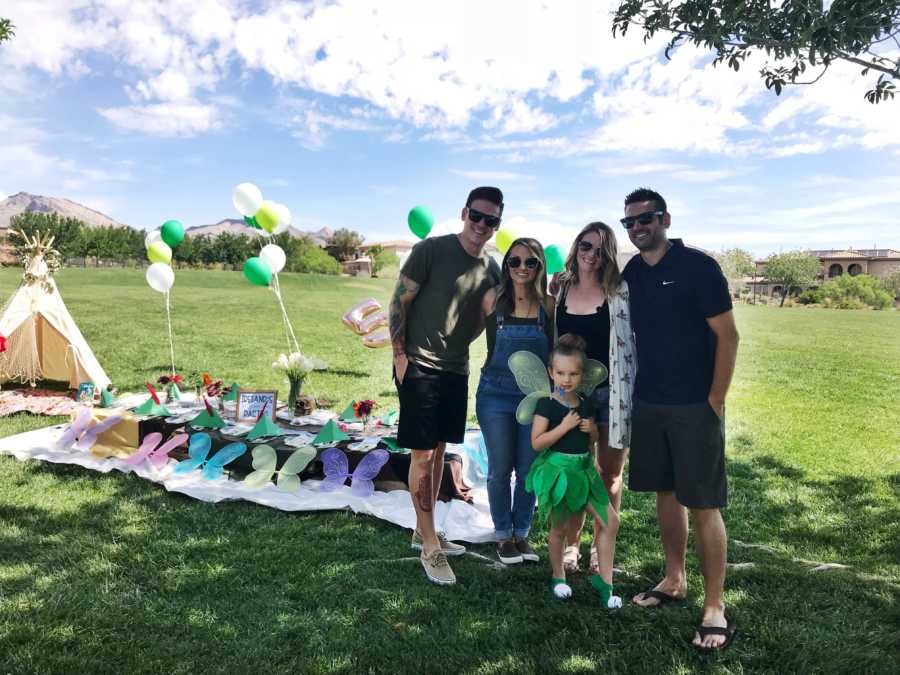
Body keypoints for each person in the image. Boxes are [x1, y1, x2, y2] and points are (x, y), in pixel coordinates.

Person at [621, 187, 740, 652]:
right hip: (649, 402)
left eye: (645, 219)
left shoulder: (698, 268)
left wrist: (716, 399)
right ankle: (674, 579)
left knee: (704, 503)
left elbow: (728, 337)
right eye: (629, 222)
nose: (637, 228)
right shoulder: (632, 271)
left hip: (695, 406)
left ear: (664, 218)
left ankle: (714, 607)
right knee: (665, 495)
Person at [389, 186, 503, 586]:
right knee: (422, 453)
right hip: (418, 364)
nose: (482, 226)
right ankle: (429, 548)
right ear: (464, 212)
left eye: (491, 220)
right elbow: (398, 303)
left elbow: (486, 318)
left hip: (456, 369)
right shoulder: (431, 251)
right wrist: (401, 356)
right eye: (477, 216)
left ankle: (426, 529)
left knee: (439, 450)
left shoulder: (492, 269)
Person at [553, 222, 636, 574]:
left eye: (601, 250)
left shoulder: (619, 291)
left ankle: (601, 550)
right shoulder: (560, 289)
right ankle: (571, 544)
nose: (591, 255)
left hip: (611, 394)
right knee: (575, 472)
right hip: (572, 395)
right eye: (586, 246)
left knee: (609, 475)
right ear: (576, 247)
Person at [527, 334, 621, 607]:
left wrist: (591, 430)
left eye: (573, 374)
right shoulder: (546, 404)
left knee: (610, 521)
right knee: (560, 527)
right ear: (551, 372)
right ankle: (558, 577)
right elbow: (536, 442)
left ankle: (605, 583)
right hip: (560, 473)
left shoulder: (586, 403)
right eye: (560, 373)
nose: (566, 379)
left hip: (584, 471)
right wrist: (564, 427)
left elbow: (590, 441)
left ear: (582, 375)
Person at [475, 238, 554, 565]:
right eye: (515, 261)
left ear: (540, 267)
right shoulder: (492, 299)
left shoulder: (549, 305)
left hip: (535, 397)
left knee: (529, 469)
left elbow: (555, 352)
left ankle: (521, 533)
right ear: (506, 265)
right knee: (499, 469)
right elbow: (462, 330)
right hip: (494, 394)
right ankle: (502, 535)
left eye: (530, 261)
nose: (522, 267)